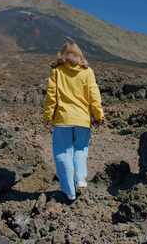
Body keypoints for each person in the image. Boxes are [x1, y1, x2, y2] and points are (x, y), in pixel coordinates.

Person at [43, 39, 104, 204]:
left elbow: (51, 97)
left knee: (63, 154)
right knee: (80, 150)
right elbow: (94, 95)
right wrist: (98, 115)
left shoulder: (57, 71)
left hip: (62, 119)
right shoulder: (87, 72)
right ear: (80, 55)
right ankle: (81, 179)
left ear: (62, 55)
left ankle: (70, 192)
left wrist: (48, 116)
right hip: (83, 120)